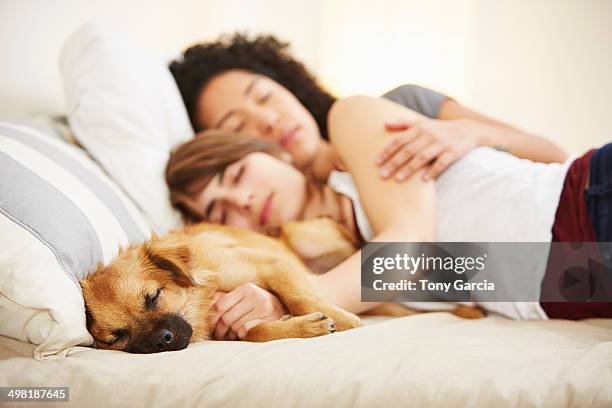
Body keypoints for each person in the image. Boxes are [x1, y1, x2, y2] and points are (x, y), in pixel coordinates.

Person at [166, 95, 612, 341]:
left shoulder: (353, 118)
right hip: (581, 283)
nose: (242, 199)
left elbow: (412, 247)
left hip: (590, 201)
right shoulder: (344, 264)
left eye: (238, 173)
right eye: (220, 210)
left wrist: (290, 297)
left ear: (275, 152)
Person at [169, 33, 567, 185]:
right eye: (239, 125)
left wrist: (470, 133)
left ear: (288, 87)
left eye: (265, 97)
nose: (269, 120)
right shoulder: (305, 224)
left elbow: (554, 156)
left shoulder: (401, 105)